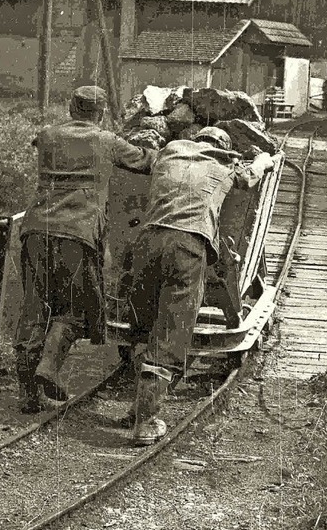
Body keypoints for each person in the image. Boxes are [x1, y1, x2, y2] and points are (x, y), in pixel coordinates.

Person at [125, 126, 274, 445]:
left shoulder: (170, 153)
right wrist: (264, 160)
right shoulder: (226, 163)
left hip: (147, 241)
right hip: (187, 246)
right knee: (171, 333)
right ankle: (145, 421)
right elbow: (251, 179)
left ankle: (137, 401)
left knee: (144, 324)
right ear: (223, 145)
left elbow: (141, 161)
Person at [14, 85, 156, 414]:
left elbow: (42, 142)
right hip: (76, 234)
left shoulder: (47, 135)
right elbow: (146, 161)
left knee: (34, 309)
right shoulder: (106, 141)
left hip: (35, 230)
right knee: (76, 310)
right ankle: (47, 369)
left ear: (70, 107)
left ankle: (28, 394)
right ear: (101, 113)